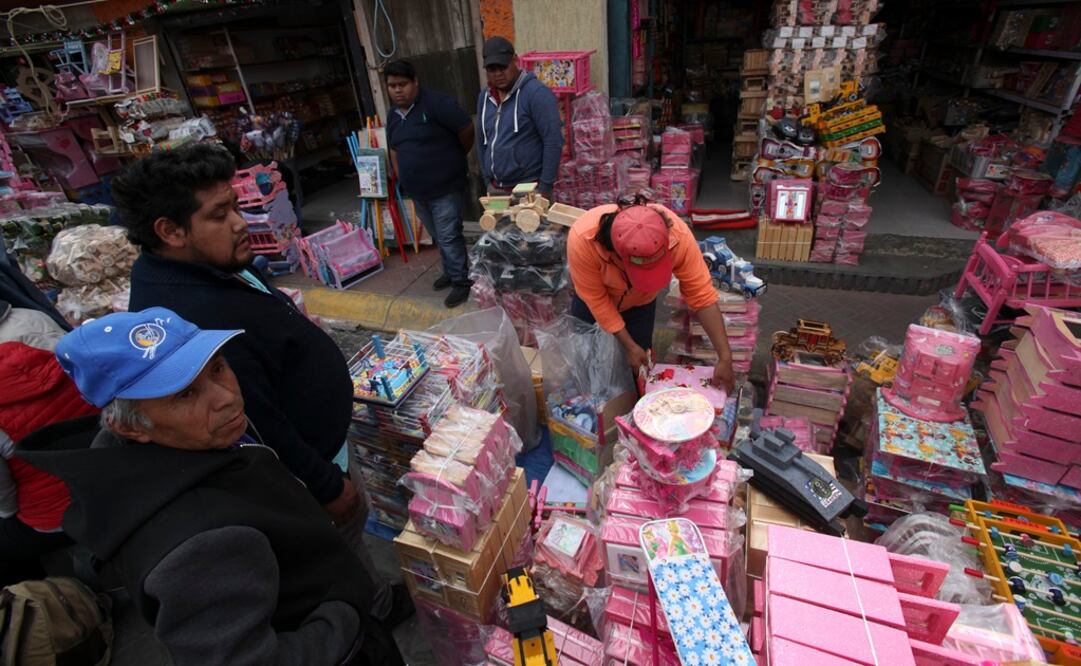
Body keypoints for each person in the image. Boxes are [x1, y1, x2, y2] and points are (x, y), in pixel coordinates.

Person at [110, 144, 409, 627]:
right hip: (307, 473)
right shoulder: (192, 320)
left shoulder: (205, 267)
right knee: (340, 553)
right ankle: (369, 614)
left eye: (236, 205)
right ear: (170, 231)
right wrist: (328, 485)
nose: (240, 222)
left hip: (322, 444)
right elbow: (256, 424)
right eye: (219, 214)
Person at [18, 308, 404, 666]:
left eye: (217, 368)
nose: (227, 399)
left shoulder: (186, 443)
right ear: (130, 426)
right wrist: (344, 614)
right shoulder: (198, 545)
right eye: (184, 394)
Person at [566, 199, 735, 392]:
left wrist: (725, 356)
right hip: (591, 307)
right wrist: (629, 345)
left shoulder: (678, 236)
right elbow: (597, 300)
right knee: (591, 372)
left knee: (637, 371)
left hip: (640, 306)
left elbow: (702, 296)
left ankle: (631, 415)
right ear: (617, 254)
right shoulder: (582, 239)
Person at [385, 59, 475, 309]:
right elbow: (394, 148)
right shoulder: (393, 115)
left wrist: (456, 158)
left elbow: (467, 128)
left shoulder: (437, 104)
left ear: (415, 82)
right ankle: (450, 271)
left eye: (402, 84)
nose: (397, 90)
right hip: (417, 189)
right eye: (392, 86)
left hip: (445, 187)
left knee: (448, 235)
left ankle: (461, 281)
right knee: (437, 235)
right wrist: (400, 174)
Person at [476, 36, 563, 197]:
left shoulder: (536, 94)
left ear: (515, 60)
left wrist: (544, 188)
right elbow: (482, 141)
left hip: (530, 190)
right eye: (492, 70)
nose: (498, 74)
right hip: (496, 190)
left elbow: (553, 141)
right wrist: (487, 181)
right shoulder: (485, 97)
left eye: (503, 67)